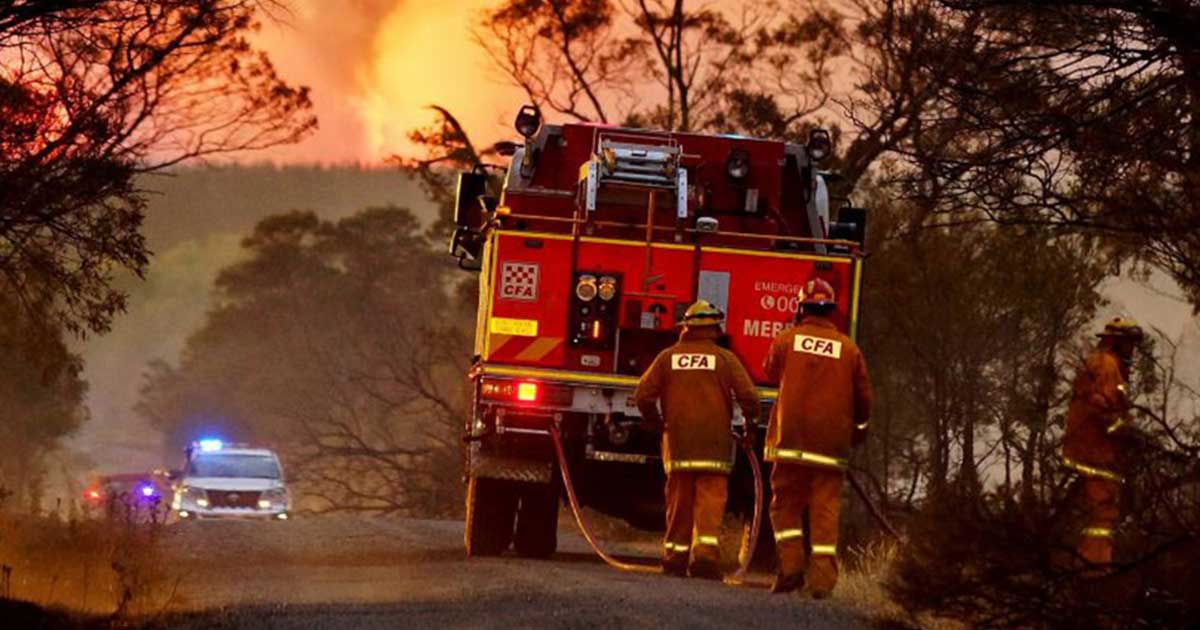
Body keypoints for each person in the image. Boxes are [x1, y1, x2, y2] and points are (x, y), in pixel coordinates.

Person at [634, 300, 760, 579]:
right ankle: (704, 559)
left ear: (686, 328)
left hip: (678, 444)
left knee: (679, 503)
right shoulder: (725, 359)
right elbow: (750, 397)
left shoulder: (667, 357)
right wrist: (751, 426)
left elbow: (642, 394)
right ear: (715, 329)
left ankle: (675, 559)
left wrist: (655, 423)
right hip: (715, 446)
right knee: (710, 503)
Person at [763, 278, 872, 598]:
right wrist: (858, 431)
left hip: (790, 442)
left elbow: (770, 371)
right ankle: (822, 584)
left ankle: (790, 570)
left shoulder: (786, 340)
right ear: (832, 309)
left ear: (801, 308)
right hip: (830, 447)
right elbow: (864, 398)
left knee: (785, 507)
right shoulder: (850, 349)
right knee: (825, 513)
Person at [1062, 316, 1144, 567]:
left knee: (1090, 515)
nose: (1131, 350)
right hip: (1096, 452)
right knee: (1102, 517)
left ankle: (1077, 565)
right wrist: (1127, 433)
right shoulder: (1108, 366)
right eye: (1127, 343)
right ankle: (1095, 571)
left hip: (1088, 449)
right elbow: (1102, 408)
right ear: (1113, 342)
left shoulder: (1099, 363)